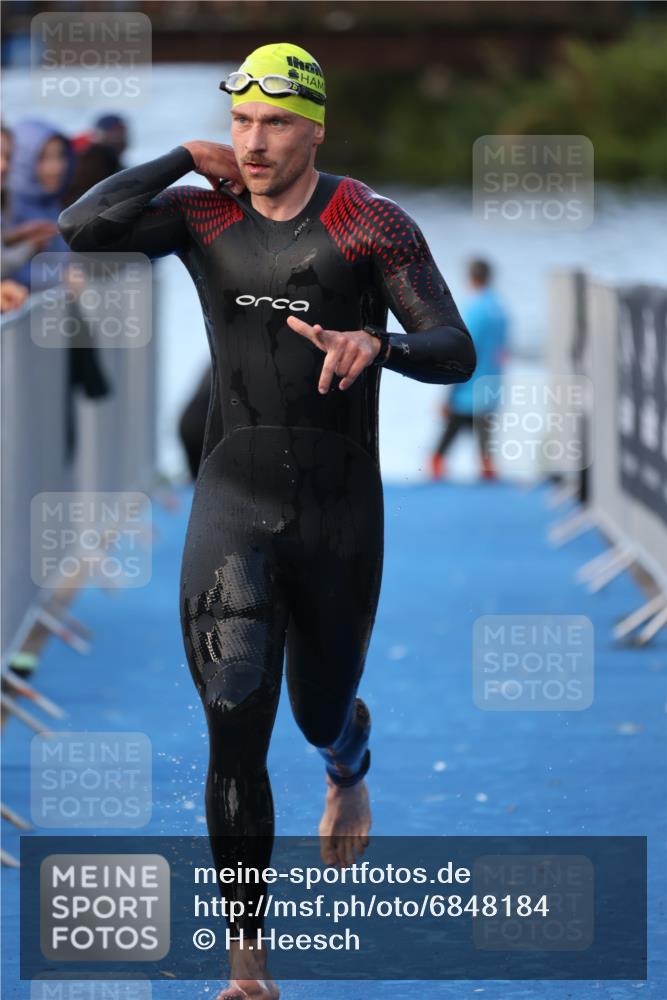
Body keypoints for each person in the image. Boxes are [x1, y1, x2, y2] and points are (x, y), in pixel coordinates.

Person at [58, 42, 476, 1000]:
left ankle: (348, 758)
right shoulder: (202, 214)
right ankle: (247, 963)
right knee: (234, 718)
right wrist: (175, 158)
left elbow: (453, 350)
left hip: (339, 512)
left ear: (315, 127)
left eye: (275, 122)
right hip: (231, 501)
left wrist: (380, 344)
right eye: (241, 121)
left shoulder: (368, 221)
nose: (254, 141)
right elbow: (83, 230)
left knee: (317, 707)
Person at [430, 258, 508, 481]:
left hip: (468, 387)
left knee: (445, 441)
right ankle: (489, 477)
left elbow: (461, 351)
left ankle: (435, 476)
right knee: (485, 444)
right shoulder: (500, 310)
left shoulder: (474, 310)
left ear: (471, 278)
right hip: (491, 386)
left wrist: (447, 392)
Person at [6, 119, 75, 290]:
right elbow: (9, 273)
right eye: (43, 158)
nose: (56, 167)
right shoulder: (9, 206)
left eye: (61, 156)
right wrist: (62, 279)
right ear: (20, 158)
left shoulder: (52, 203)